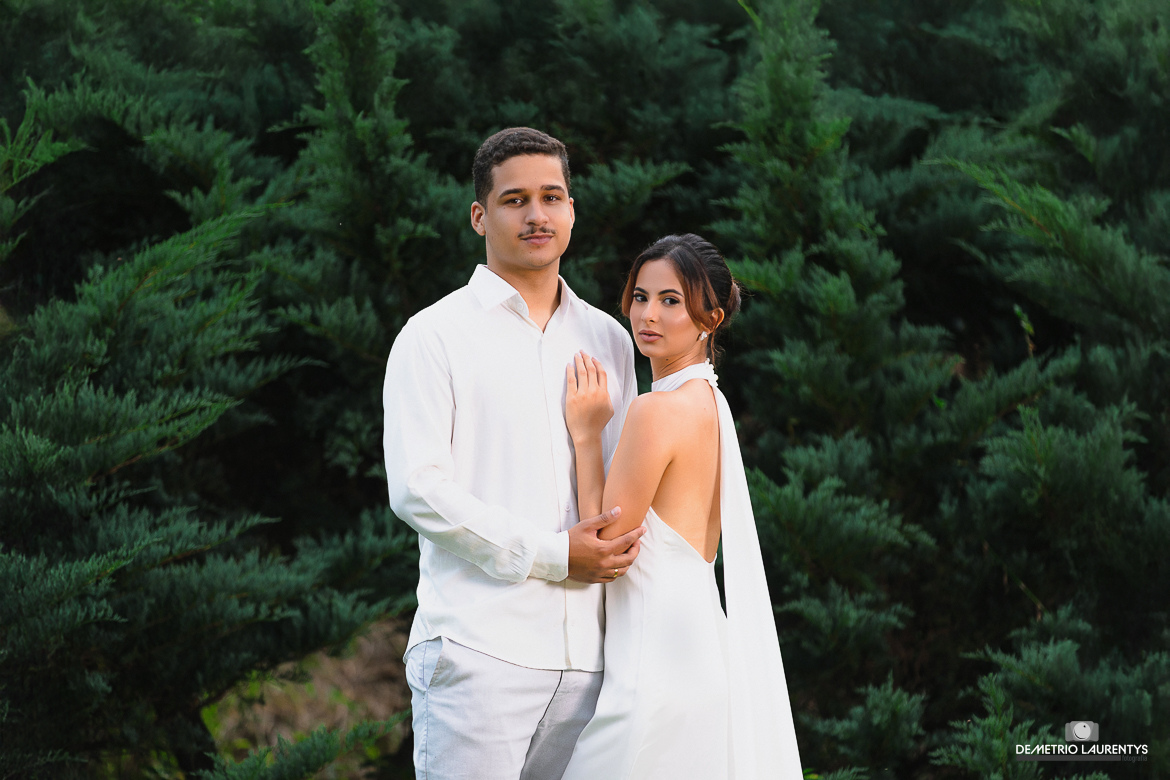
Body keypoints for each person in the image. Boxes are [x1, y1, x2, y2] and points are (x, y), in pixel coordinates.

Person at [382, 127, 643, 779]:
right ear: (480, 216)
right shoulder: (433, 336)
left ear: (572, 210)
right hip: (480, 655)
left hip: (593, 667)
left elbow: (624, 489)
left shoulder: (610, 339)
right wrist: (553, 554)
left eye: (551, 197)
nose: (536, 215)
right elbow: (417, 490)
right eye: (514, 200)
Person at [559, 234, 803, 779]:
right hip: (700, 645)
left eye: (671, 301)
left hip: (656, 657)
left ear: (710, 319)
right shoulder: (711, 404)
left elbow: (606, 545)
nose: (648, 314)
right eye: (640, 296)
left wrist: (587, 435)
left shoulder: (656, 411)